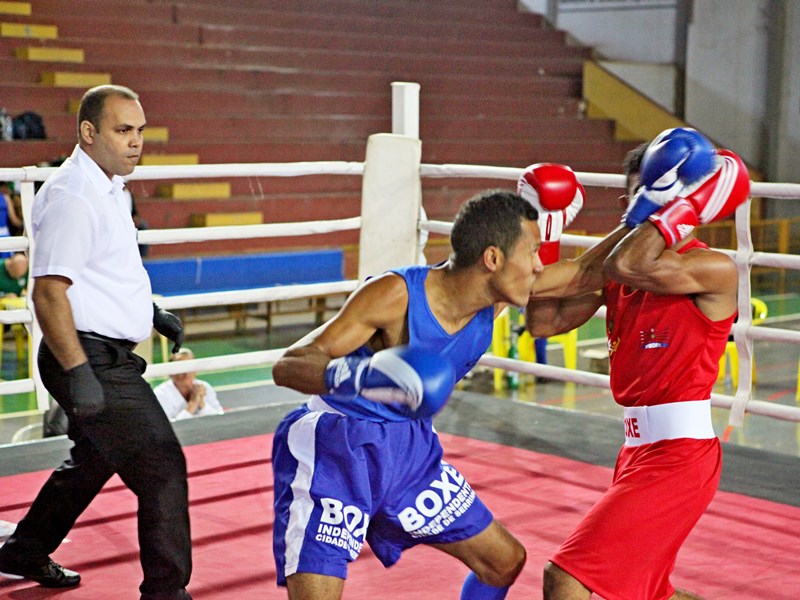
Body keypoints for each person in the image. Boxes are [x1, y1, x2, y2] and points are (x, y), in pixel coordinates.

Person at [270, 177, 594, 599]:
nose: (539, 266)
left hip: (410, 452)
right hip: (339, 447)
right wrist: (365, 378)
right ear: (492, 258)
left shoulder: (491, 300)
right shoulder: (395, 295)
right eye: (532, 253)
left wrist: (651, 213)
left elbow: (587, 272)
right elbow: (289, 365)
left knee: (503, 561)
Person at [526, 127, 751, 600]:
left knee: (565, 579)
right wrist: (547, 232)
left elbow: (632, 264)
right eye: (635, 198)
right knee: (649, 594)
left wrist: (678, 206)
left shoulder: (710, 269)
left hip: (680, 457)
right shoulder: (615, 269)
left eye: (651, 196)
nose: (640, 211)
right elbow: (544, 315)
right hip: (634, 451)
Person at [0, 85, 192, 600]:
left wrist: (151, 314)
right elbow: (47, 291)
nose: (136, 142)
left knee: (96, 456)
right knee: (161, 465)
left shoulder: (108, 187)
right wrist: (79, 371)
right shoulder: (72, 196)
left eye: (140, 131)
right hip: (87, 356)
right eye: (122, 130)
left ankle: (25, 547)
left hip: (102, 352)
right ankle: (166, 595)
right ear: (88, 133)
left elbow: (100, 272)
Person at [154, 347, 224, 421]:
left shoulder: (204, 387)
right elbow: (166, 427)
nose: (186, 373)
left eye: (189, 366)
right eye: (181, 367)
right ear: (171, 373)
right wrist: (192, 405)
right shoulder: (161, 394)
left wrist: (202, 405)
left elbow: (220, 419)